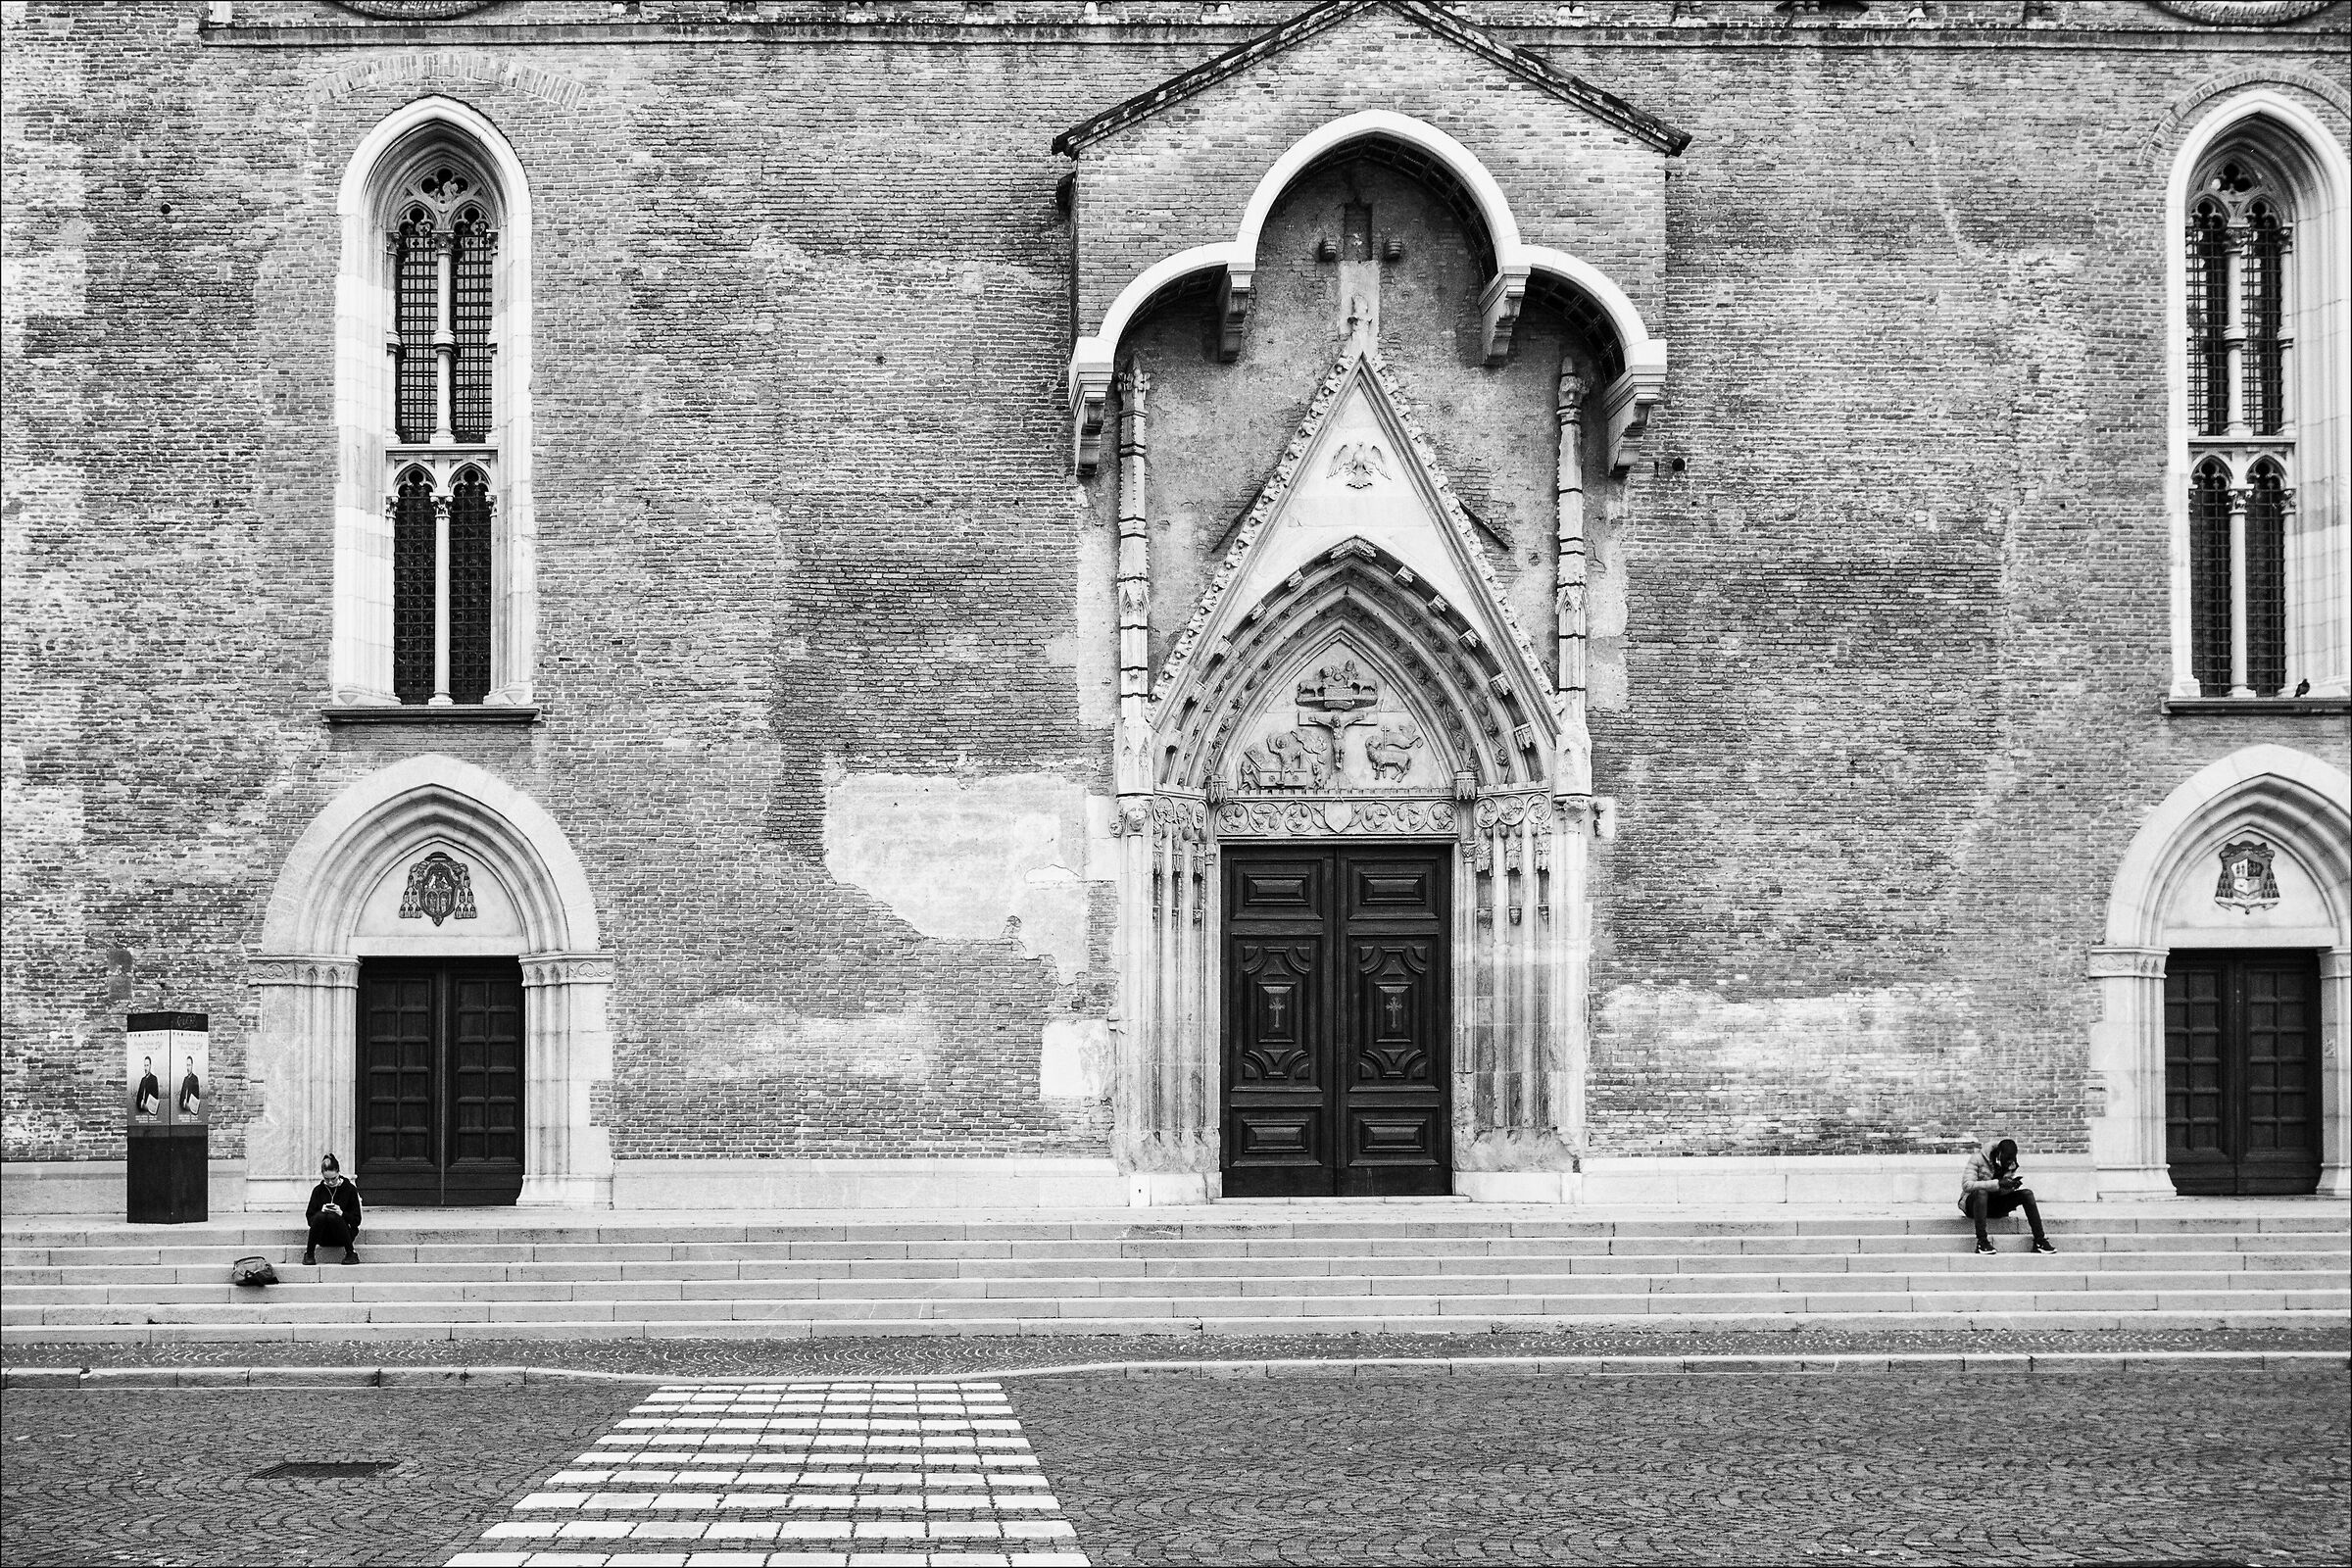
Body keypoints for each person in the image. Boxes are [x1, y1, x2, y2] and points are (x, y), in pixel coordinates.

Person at [1959, 1136, 2056, 1255]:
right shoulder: (1978, 1159)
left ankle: (2040, 1241)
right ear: (1999, 1154)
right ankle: (1982, 1242)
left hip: (1994, 1205)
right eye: (2006, 1160)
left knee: (2027, 1194)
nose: (2009, 1163)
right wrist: (1998, 1183)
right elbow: (1967, 1185)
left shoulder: (2010, 1164)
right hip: (1973, 1204)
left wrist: (2010, 1187)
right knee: (1982, 1192)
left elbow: (2000, 1192)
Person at [304, 1153, 363, 1266]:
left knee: (333, 1216)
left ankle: (351, 1253)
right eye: (326, 1179)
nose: (330, 1182)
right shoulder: (318, 1190)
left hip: (344, 1235)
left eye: (333, 1178)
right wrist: (321, 1212)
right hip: (323, 1236)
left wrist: (341, 1213)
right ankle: (309, 1254)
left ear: (339, 1173)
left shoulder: (349, 1189)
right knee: (321, 1216)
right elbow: (310, 1219)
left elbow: (356, 1221)